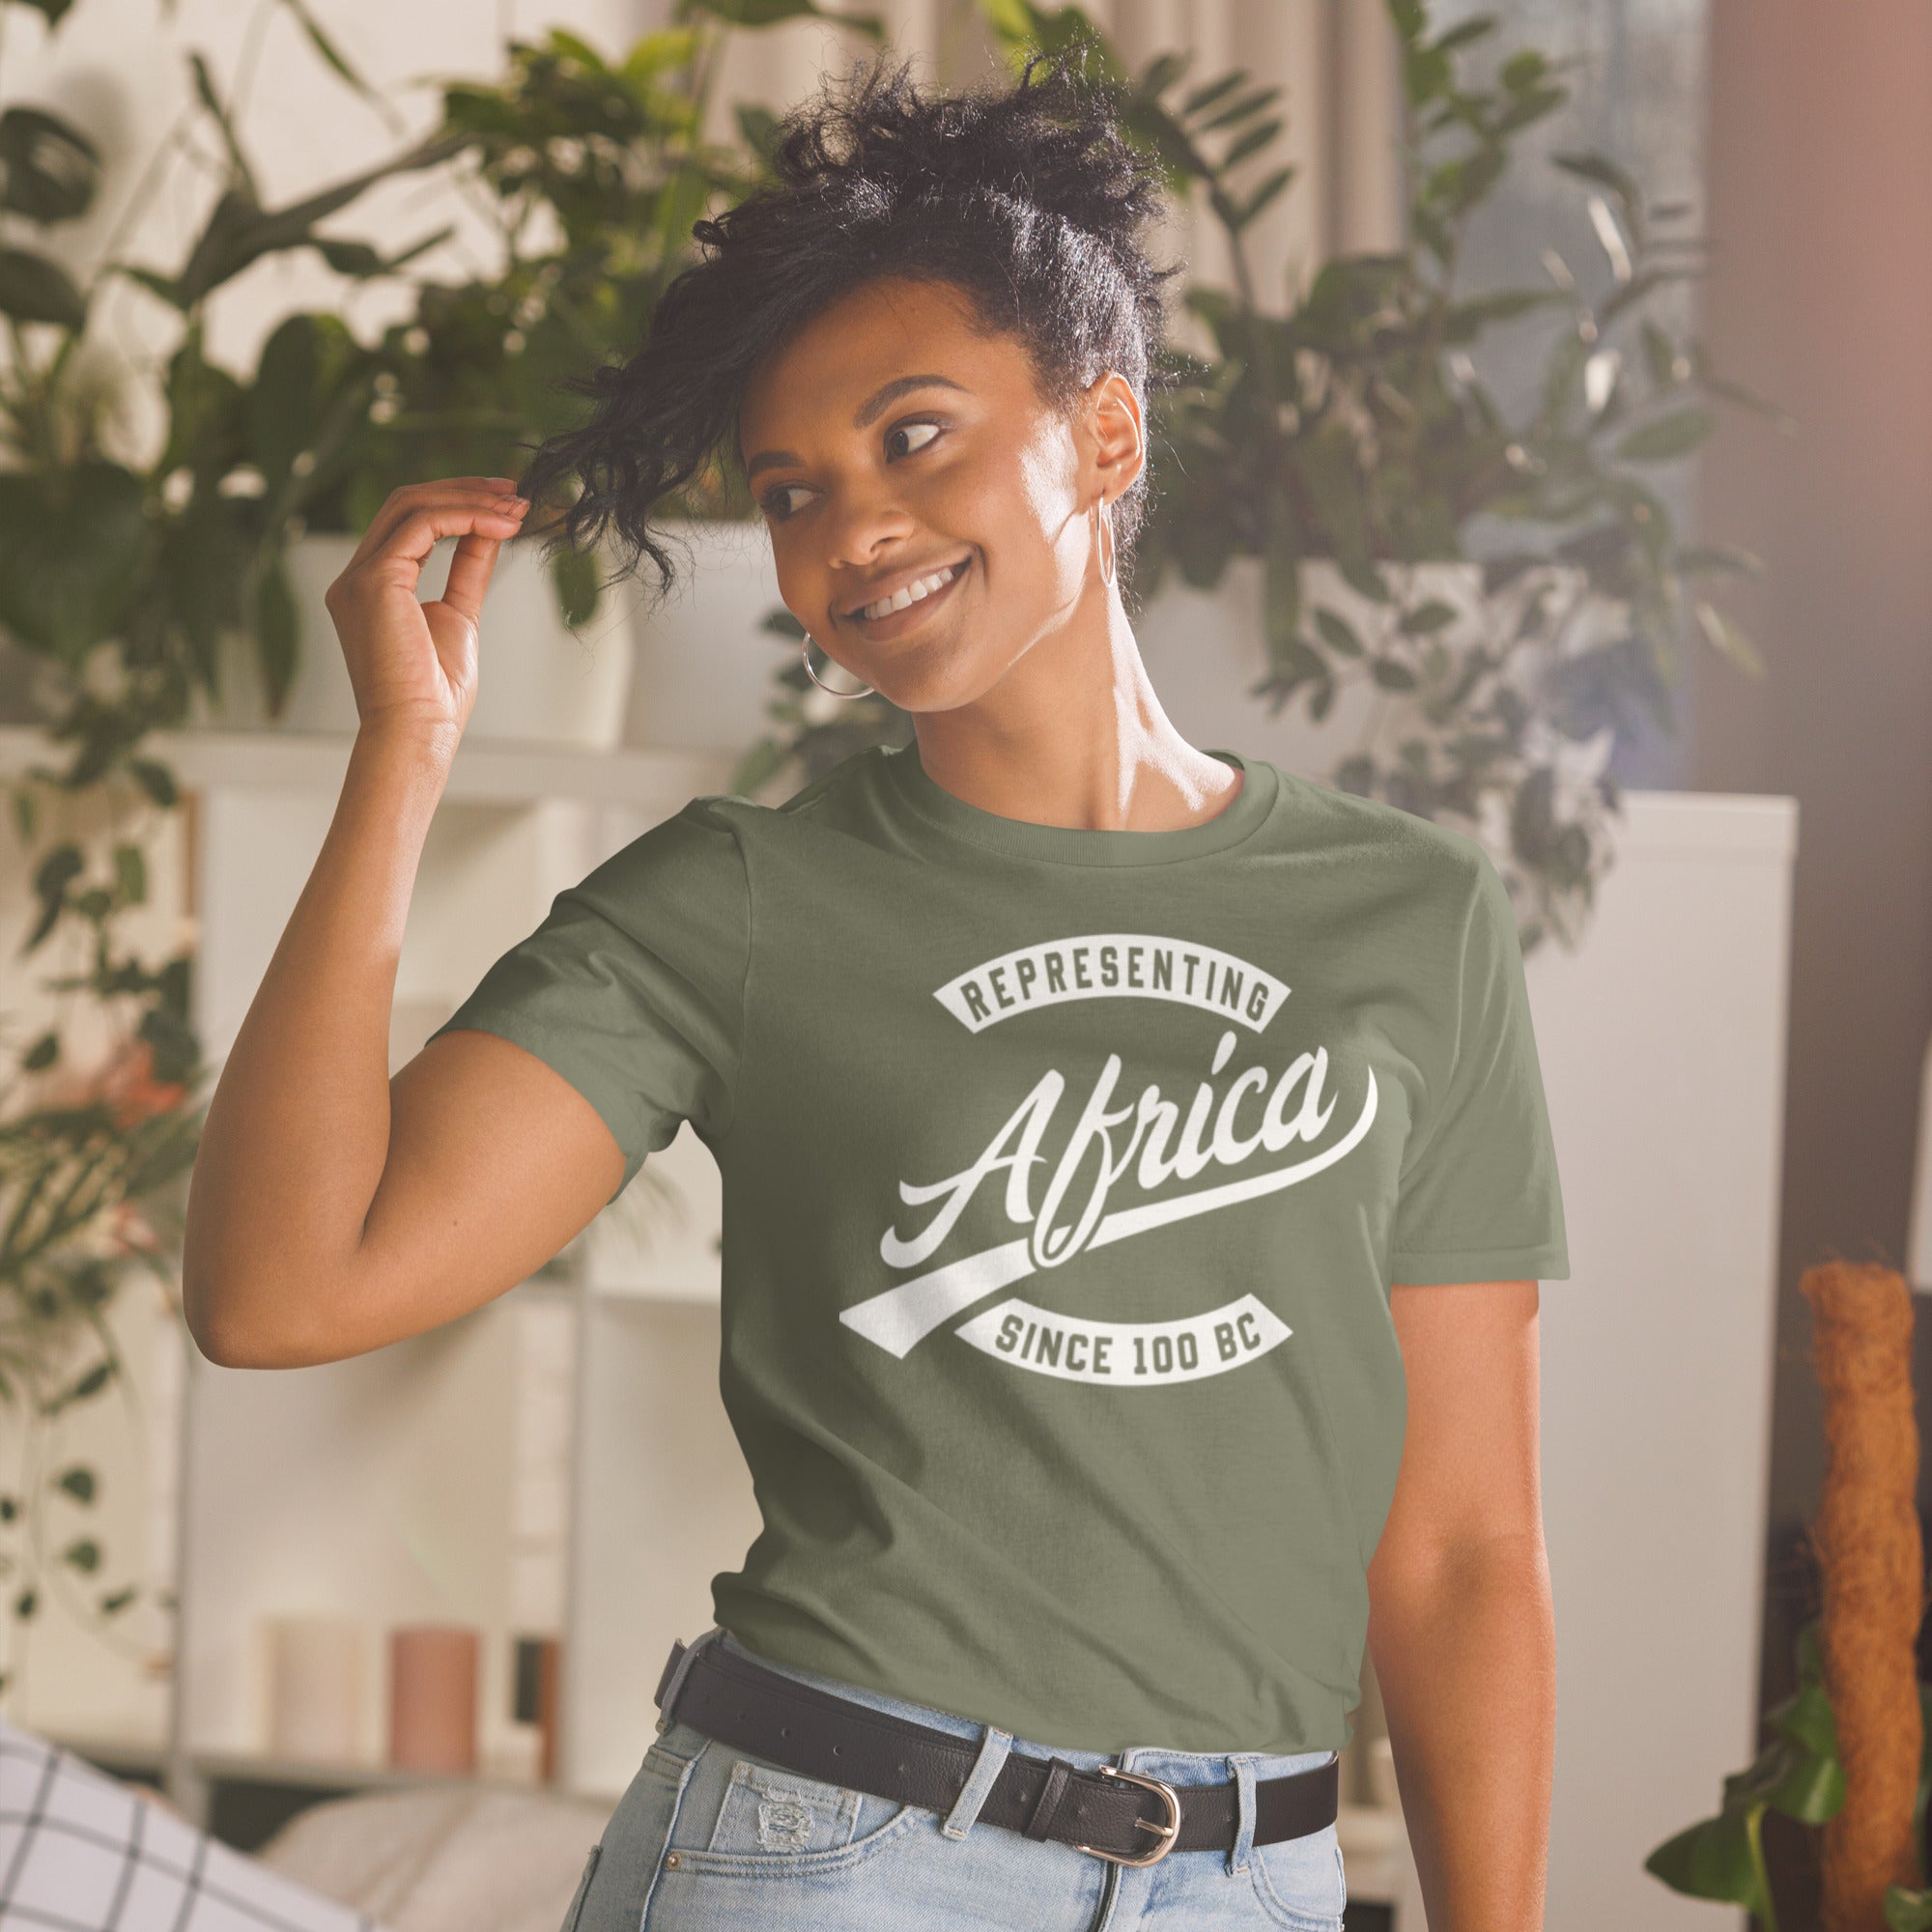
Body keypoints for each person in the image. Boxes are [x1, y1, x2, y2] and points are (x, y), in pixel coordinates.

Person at [181, 49, 1570, 1932]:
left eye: (912, 436)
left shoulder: (1410, 915)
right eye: (789, 492)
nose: (850, 534)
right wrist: (404, 760)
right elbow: (281, 1288)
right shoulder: (738, 905)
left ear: (1102, 434)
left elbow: (1467, 1547)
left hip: (1257, 1880)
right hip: (832, 1854)